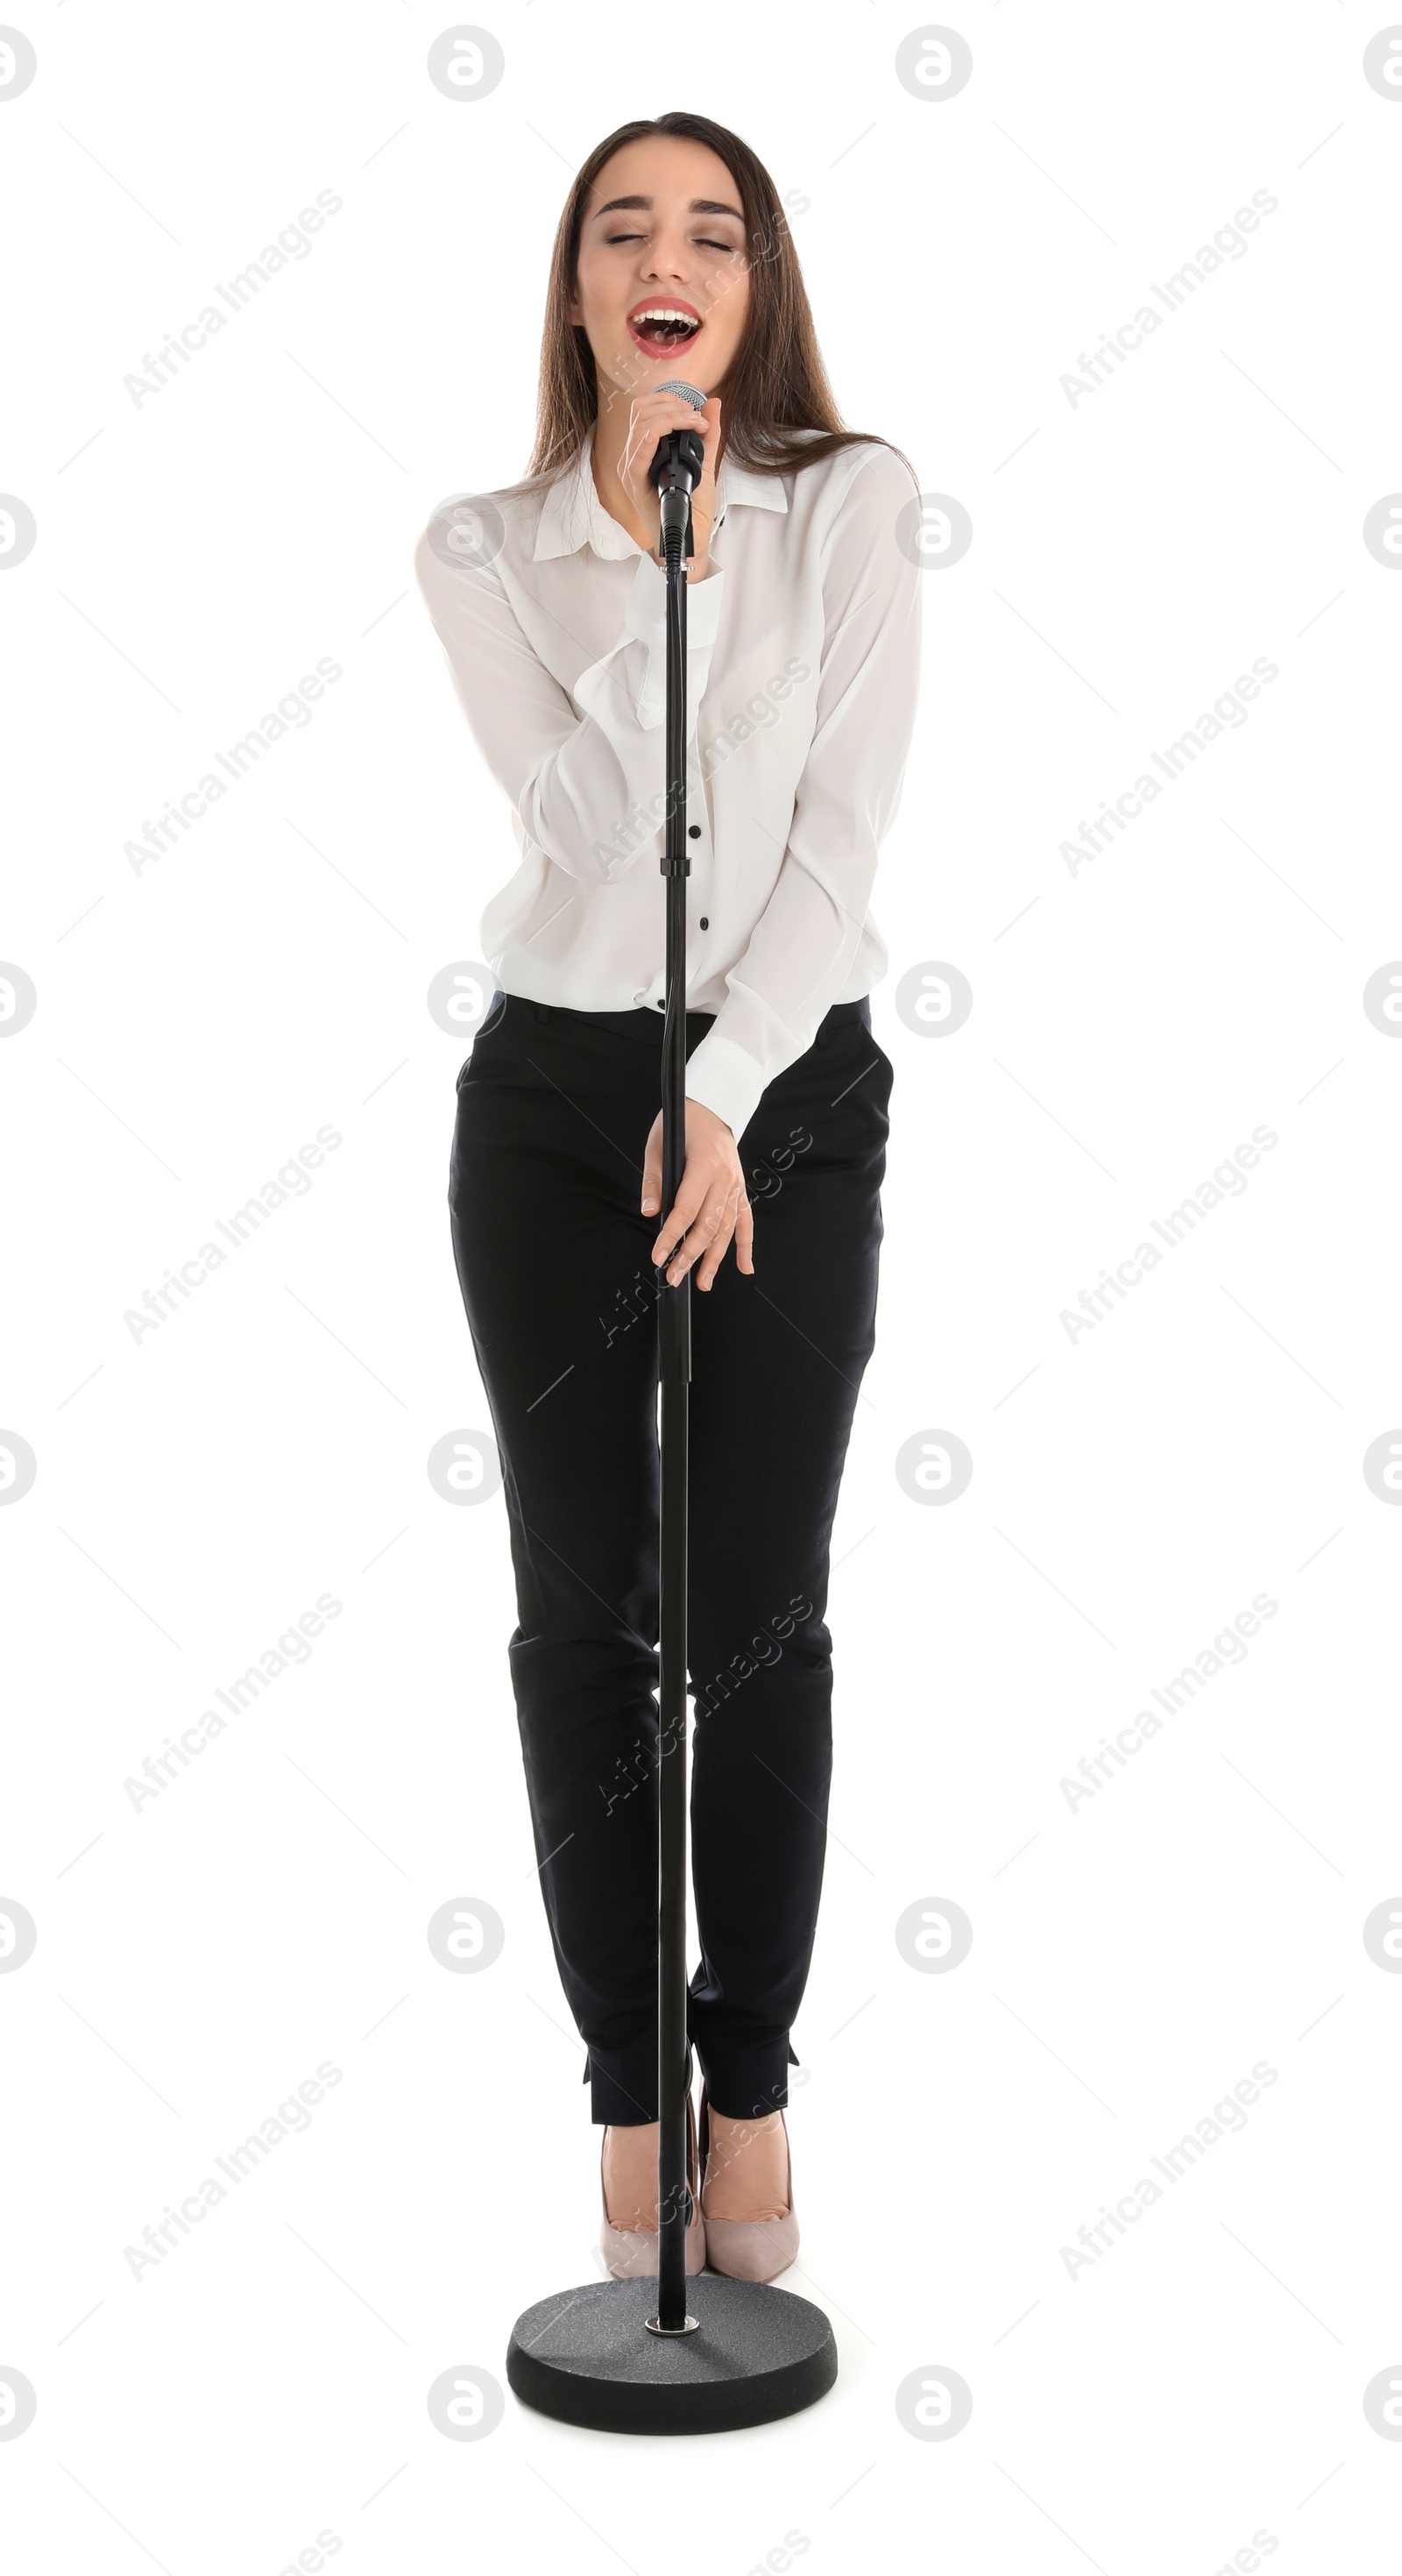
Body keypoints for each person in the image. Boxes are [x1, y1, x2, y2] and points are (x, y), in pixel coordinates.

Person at [414, 110, 921, 2282]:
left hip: (782, 1093)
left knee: (753, 1612)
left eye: (710, 228)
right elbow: (586, 832)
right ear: (579, 289)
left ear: (757, 278)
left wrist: (718, 1092)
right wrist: (656, 561)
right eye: (624, 226)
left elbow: (835, 837)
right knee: (585, 1614)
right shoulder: (483, 546)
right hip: (551, 1097)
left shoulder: (855, 506)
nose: (668, 256)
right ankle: (625, 2096)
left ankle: (756, 2078)